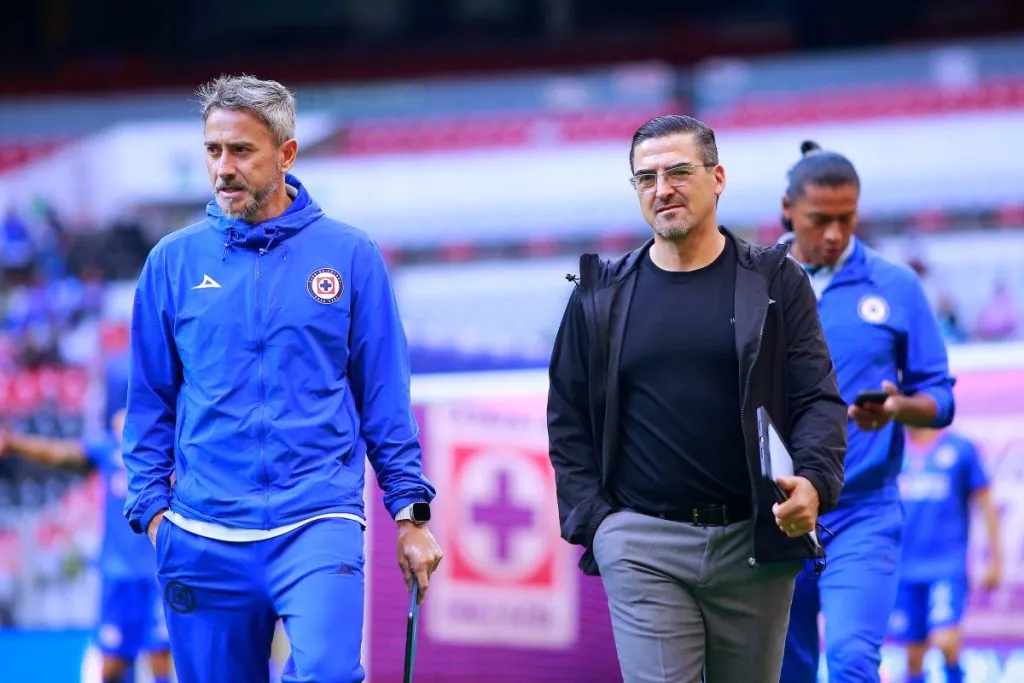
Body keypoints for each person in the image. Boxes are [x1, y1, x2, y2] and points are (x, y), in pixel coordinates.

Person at [122, 74, 442, 683]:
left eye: (241, 151)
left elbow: (383, 399)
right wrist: (154, 513)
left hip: (317, 520)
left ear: (286, 154)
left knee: (328, 674)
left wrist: (411, 515)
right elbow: (149, 401)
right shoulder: (171, 261)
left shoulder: (350, 255)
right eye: (214, 151)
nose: (223, 168)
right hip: (201, 533)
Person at [546, 114, 847, 683]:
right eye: (646, 178)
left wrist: (813, 480)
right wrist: (600, 527)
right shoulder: (599, 296)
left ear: (718, 178)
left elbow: (817, 401)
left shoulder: (777, 283)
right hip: (641, 546)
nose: (663, 190)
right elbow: (567, 420)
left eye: (679, 172)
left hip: (755, 541)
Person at [777, 141, 957, 683]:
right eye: (820, 220)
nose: (835, 233)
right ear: (788, 209)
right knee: (786, 671)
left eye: (847, 218)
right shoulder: (754, 281)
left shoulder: (896, 286)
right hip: (778, 514)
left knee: (853, 662)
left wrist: (899, 407)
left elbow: (941, 398)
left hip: (862, 510)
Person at [0, 406, 173, 683]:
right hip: (119, 574)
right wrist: (15, 443)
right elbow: (60, 453)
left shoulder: (164, 452)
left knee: (161, 657)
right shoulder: (108, 450)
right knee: (113, 664)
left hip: (158, 571)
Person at [889, 426, 1002, 683]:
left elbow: (986, 503)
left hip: (945, 567)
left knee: (945, 640)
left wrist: (995, 559)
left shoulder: (960, 449)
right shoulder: (894, 450)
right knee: (913, 654)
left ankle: (954, 676)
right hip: (904, 568)